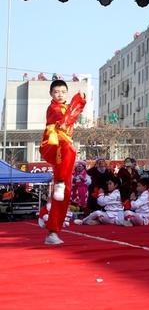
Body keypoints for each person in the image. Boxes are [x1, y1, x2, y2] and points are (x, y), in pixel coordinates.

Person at [39, 79, 86, 245]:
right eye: (56, 92)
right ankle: (59, 182)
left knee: (64, 194)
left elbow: (71, 116)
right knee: (62, 189)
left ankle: (50, 225)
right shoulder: (54, 108)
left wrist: (78, 103)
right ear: (51, 94)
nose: (60, 95)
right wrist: (78, 102)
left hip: (66, 145)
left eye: (63, 92)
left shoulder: (66, 107)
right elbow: (65, 120)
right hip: (57, 144)